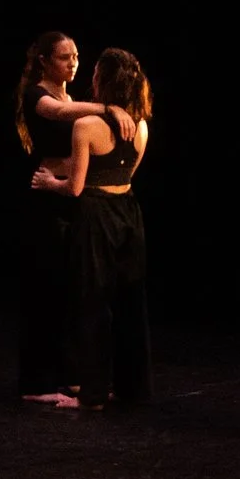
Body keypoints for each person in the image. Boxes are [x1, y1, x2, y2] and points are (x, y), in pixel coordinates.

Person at [34, 46, 151, 410]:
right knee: (129, 302)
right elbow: (126, 174)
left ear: (103, 81)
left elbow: (76, 187)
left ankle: (92, 394)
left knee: (91, 301)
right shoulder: (143, 126)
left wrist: (48, 182)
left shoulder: (86, 126)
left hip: (96, 214)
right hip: (128, 213)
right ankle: (132, 388)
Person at [14, 32, 117, 405]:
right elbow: (56, 114)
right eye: (63, 57)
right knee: (44, 289)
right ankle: (36, 382)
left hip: (65, 197)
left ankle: (68, 374)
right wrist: (106, 108)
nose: (73, 62)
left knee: (69, 290)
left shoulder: (72, 99)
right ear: (44, 61)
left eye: (76, 56)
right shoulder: (36, 95)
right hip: (44, 201)